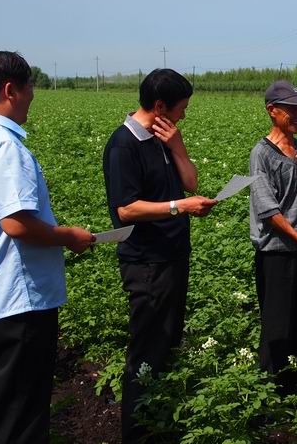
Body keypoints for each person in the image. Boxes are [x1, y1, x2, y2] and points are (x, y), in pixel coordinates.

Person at [0, 51, 95, 443]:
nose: (33, 94)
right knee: (22, 421)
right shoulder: (3, 145)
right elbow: (16, 223)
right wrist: (70, 236)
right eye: (30, 86)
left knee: (3, 413)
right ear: (10, 90)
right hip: (17, 303)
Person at [102, 68, 217, 442]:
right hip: (147, 264)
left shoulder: (163, 138)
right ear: (159, 105)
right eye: (181, 108)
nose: (184, 115)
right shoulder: (123, 145)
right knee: (147, 350)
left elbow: (191, 182)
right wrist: (179, 206)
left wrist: (178, 147)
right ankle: (138, 434)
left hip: (172, 256)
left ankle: (162, 425)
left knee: (166, 343)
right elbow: (126, 209)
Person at [248, 80, 297, 392]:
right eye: (291, 109)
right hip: (277, 252)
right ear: (272, 111)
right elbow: (269, 210)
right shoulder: (261, 154)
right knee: (278, 327)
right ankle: (273, 392)